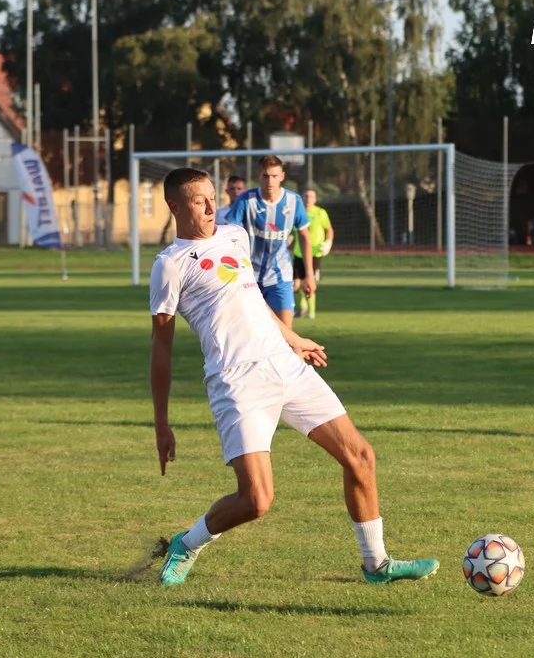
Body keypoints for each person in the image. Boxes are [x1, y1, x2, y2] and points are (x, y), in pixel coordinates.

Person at [150, 167, 438, 586]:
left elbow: (251, 299)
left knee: (360, 455)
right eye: (199, 200)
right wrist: (161, 422)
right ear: (175, 206)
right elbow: (161, 348)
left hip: (285, 366)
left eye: (212, 197)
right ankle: (187, 542)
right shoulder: (170, 266)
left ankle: (376, 564)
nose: (212, 207)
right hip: (237, 381)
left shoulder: (235, 236)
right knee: (257, 500)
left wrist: (292, 338)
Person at [223, 155, 315, 329]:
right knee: (250, 334)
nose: (270, 181)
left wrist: (309, 275)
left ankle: (293, 356)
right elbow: (229, 233)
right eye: (266, 176)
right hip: (248, 276)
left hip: (280, 276)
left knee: (286, 333)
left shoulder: (294, 201)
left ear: (282, 176)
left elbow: (304, 237)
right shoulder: (246, 200)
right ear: (259, 176)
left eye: (274, 176)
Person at [293, 189, 334, 320]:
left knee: (309, 282)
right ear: (302, 198)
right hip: (299, 253)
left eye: (311, 196)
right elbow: (296, 233)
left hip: (315, 253)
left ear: (315, 199)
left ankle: (311, 312)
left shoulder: (320, 213)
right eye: (306, 196)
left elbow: (329, 230)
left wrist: (328, 242)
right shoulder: (297, 213)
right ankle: (303, 305)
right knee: (295, 285)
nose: (308, 199)